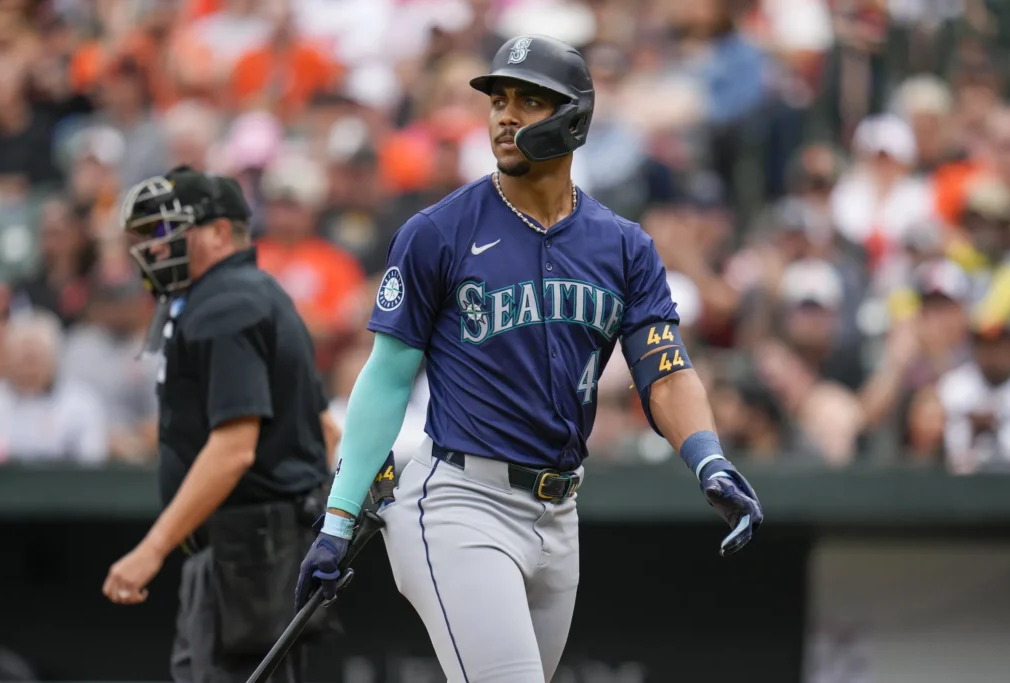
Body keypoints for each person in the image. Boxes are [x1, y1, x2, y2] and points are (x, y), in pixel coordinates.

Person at [295, 35, 764, 683]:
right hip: (460, 498)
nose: (505, 115)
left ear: (573, 118)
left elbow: (665, 368)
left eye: (529, 100)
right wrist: (339, 516)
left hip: (559, 514)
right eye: (498, 100)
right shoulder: (438, 231)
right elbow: (387, 374)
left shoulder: (622, 246)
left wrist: (708, 455)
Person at [102, 166, 340, 683]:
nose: (153, 248)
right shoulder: (248, 293)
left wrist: (152, 548)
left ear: (219, 230)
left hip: (246, 553)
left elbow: (235, 448)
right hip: (254, 550)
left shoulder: (226, 303)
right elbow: (327, 430)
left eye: (166, 232)